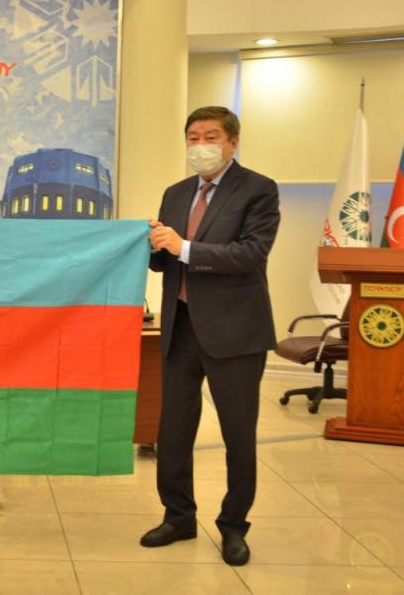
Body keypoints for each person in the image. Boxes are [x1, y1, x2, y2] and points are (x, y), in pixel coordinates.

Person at [143, 106, 279, 566]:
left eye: (211, 136)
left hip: (235, 333)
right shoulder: (176, 193)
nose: (200, 145)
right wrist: (148, 243)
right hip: (180, 328)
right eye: (193, 137)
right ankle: (178, 517)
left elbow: (250, 254)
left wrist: (182, 246)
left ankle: (234, 526)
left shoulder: (258, 189)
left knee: (237, 436)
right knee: (173, 432)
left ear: (232, 142)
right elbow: (164, 261)